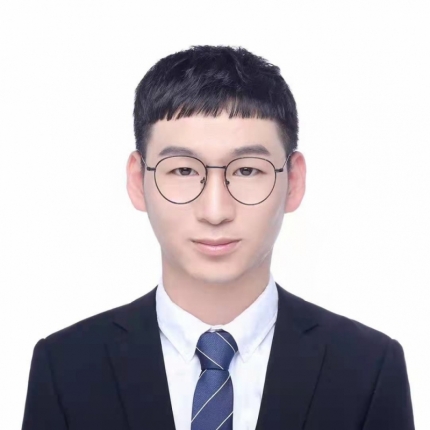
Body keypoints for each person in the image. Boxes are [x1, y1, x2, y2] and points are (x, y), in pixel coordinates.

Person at [21, 45, 415, 430]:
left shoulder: (368, 369)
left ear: (293, 181)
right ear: (138, 181)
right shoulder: (66, 367)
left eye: (246, 170)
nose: (215, 211)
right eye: (183, 171)